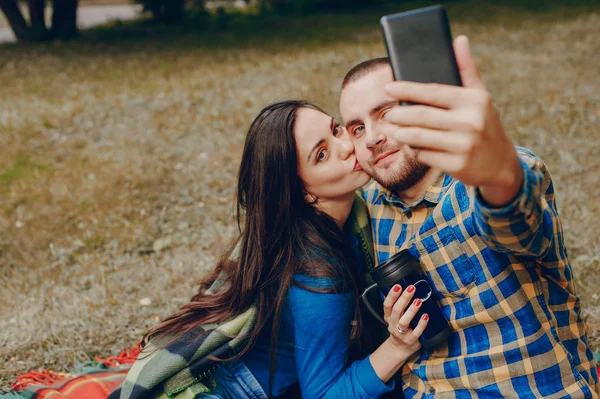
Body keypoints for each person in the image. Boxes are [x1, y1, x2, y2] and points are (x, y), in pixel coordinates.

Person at [339, 35, 599, 397]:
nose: (372, 138)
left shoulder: (489, 179)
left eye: (387, 114)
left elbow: (517, 221)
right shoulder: (370, 206)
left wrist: (498, 176)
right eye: (357, 128)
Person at [115, 100, 429, 399]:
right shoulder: (319, 273)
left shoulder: (335, 219)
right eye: (321, 155)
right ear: (304, 192)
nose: (347, 146)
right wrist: (398, 347)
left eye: (335, 130)